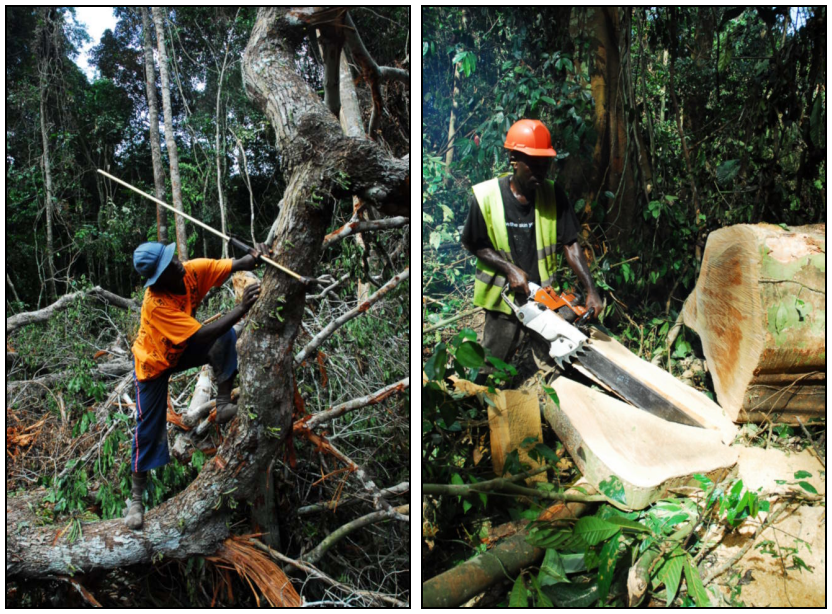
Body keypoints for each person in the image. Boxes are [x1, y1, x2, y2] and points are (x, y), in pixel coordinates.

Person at [125, 241, 269, 530]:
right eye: (168, 266)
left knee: (225, 338)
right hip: (154, 364)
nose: (177, 264)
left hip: (178, 351)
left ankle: (225, 403)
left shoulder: (190, 271)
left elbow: (234, 265)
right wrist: (242, 308)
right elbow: (202, 334)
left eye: (173, 258)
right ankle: (136, 498)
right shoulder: (156, 304)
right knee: (148, 428)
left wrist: (256, 256)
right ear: (157, 279)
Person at [461, 118, 603, 379]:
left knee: (559, 363)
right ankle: (477, 406)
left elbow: (570, 244)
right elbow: (473, 242)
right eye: (533, 165)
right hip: (503, 299)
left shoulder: (554, 194)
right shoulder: (486, 196)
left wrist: (591, 290)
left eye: (544, 164)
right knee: (489, 368)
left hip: (542, 298)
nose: (540, 172)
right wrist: (509, 269)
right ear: (514, 159)